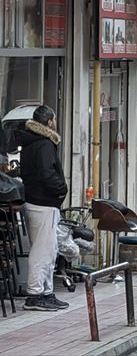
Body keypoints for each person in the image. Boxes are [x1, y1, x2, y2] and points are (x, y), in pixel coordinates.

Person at [18, 105, 69, 311]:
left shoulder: (30, 143)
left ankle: (46, 292)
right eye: (54, 120)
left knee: (48, 249)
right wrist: (61, 189)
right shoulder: (44, 145)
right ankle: (35, 294)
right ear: (49, 122)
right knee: (43, 250)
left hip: (36, 200)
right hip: (44, 202)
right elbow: (48, 174)